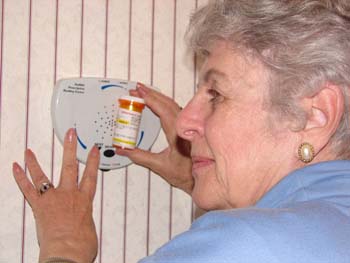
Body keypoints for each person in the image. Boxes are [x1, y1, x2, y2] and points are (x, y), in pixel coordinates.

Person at [12, 0, 350, 262]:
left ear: (314, 115)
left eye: (216, 94)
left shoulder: (242, 246)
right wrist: (202, 180)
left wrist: (64, 248)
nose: (185, 122)